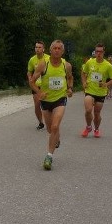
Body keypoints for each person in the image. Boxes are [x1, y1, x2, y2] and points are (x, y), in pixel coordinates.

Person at [29, 39, 73, 170]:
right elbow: (32, 81)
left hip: (60, 99)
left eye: (59, 48)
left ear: (63, 51)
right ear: (50, 50)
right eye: (55, 48)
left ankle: (49, 156)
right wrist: (39, 92)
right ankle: (56, 139)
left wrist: (70, 88)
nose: (57, 50)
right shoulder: (43, 64)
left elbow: (70, 77)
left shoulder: (67, 65)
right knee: (49, 129)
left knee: (55, 126)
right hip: (46, 100)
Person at [80, 43, 112, 138]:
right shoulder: (90, 62)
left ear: (103, 52)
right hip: (90, 90)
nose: (99, 53)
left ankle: (96, 129)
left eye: (101, 51)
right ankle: (88, 126)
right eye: (97, 51)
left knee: (97, 114)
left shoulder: (108, 65)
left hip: (101, 93)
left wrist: (106, 84)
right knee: (88, 110)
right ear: (95, 52)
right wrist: (84, 83)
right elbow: (83, 73)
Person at [26, 41, 49, 130]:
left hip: (46, 85)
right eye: (36, 47)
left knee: (47, 103)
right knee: (37, 104)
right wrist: (30, 79)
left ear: (43, 49)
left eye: (39, 47)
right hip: (36, 85)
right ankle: (41, 122)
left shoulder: (48, 58)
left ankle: (49, 119)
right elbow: (29, 71)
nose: (37, 49)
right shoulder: (32, 60)